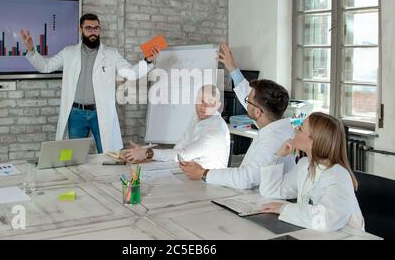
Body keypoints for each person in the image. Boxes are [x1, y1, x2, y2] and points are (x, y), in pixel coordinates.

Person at [21, 13, 160, 153]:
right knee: (72, 156)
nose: (93, 32)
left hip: (100, 112)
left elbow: (130, 73)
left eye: (96, 28)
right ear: (80, 30)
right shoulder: (68, 52)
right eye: (88, 28)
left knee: (108, 155)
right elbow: (46, 66)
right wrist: (32, 50)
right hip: (76, 114)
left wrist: (147, 61)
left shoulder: (111, 54)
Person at [180, 44, 296, 189]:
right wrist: (232, 67)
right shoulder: (276, 124)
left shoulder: (272, 141)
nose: (245, 101)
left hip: (261, 201)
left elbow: (246, 179)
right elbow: (247, 94)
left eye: (248, 101)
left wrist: (203, 173)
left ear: (258, 112)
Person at [259, 112, 365, 232]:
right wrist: (278, 156)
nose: (295, 131)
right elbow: (270, 191)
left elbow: (326, 220)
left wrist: (284, 208)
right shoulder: (305, 165)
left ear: (312, 142)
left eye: (300, 129)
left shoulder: (338, 175)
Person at [123, 85, 230, 170]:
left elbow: (183, 155)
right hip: (188, 174)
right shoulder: (197, 117)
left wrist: (147, 153)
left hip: (210, 184)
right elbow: (179, 147)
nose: (203, 106)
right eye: (201, 100)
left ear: (218, 106)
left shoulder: (216, 130)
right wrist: (145, 155)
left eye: (210, 102)